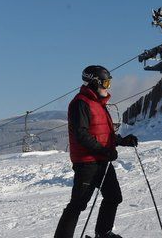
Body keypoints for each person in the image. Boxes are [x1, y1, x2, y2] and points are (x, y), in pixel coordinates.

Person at [55, 65, 139, 238]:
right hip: (87, 162)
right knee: (78, 204)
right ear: (95, 82)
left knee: (114, 196)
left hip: (101, 160)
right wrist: (104, 151)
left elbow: (103, 133)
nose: (108, 87)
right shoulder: (81, 103)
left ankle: (103, 232)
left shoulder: (98, 104)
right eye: (105, 83)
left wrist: (122, 141)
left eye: (109, 83)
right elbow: (81, 135)